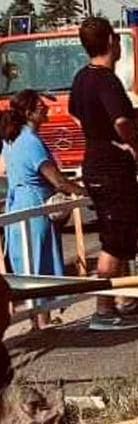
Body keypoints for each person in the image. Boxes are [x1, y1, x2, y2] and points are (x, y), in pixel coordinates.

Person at [69, 17, 138, 331]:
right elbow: (122, 121)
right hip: (111, 165)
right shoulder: (106, 80)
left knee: (121, 234)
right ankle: (103, 310)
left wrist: (94, 131)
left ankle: (124, 299)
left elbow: (75, 114)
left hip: (94, 160)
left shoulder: (81, 78)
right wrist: (132, 145)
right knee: (114, 240)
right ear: (111, 41)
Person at [1, 90, 86, 329]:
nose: (46, 109)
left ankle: (36, 320)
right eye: (41, 107)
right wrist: (84, 191)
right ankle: (43, 320)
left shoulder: (11, 139)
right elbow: (57, 180)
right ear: (29, 113)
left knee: (25, 263)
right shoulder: (32, 142)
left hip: (17, 206)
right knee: (40, 261)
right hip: (35, 207)